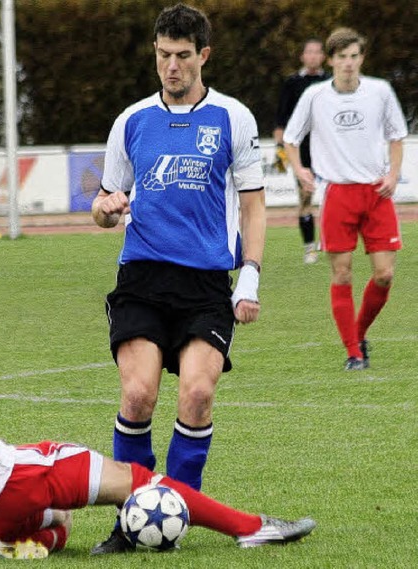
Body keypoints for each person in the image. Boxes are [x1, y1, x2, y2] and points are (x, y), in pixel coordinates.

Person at [0, 300, 315, 563]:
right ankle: (253, 529)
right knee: (139, 479)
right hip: (11, 480)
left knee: (60, 526)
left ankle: (13, 544)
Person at [90, 3, 265, 553]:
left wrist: (250, 276)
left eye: (183, 56)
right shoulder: (132, 120)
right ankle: (129, 519)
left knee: (196, 394)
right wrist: (108, 208)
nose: (171, 66)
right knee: (138, 393)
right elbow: (100, 205)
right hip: (142, 276)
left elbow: (255, 208)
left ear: (203, 56)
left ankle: (177, 512)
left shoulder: (233, 118)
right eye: (163, 55)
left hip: (207, 283)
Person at [284, 28, 407, 371]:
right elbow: (291, 139)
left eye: (354, 56)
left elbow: (397, 136)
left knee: (384, 275)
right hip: (338, 194)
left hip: (376, 192)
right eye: (341, 57)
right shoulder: (315, 95)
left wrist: (394, 174)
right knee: (342, 274)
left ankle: (359, 332)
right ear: (331, 60)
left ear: (361, 58)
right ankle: (353, 353)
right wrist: (300, 170)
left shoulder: (380, 91)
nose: (348, 63)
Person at [273, 38, 330, 264]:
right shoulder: (293, 83)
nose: (314, 56)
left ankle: (328, 241)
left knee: (332, 197)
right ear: (303, 57)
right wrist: (281, 151)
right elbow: (281, 118)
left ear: (324, 57)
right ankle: (309, 249)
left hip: (328, 148)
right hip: (301, 150)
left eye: (318, 52)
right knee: (306, 196)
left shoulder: (331, 81)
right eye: (310, 52)